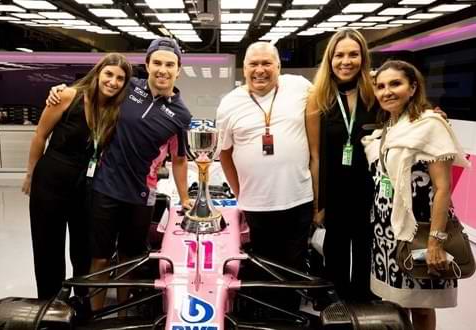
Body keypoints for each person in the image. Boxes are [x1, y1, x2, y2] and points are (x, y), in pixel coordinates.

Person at [47, 37, 192, 311]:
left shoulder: (181, 115)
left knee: (129, 259)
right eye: (157, 63)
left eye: (169, 64)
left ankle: (122, 315)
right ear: (147, 65)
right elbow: (91, 90)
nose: (163, 69)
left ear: (178, 70)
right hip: (104, 188)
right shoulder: (127, 88)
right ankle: (97, 315)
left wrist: (184, 198)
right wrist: (61, 90)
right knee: (99, 258)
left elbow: (180, 160)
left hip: (141, 196)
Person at [362, 60, 469, 330]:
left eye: (395, 84)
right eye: (381, 86)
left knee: (422, 306)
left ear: (413, 87)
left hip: (420, 229)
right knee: (398, 303)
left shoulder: (429, 125)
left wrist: (435, 241)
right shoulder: (388, 126)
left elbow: (443, 187)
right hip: (387, 231)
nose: (386, 91)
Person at [23, 53, 133, 300]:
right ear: (98, 73)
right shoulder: (66, 96)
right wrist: (31, 174)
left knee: (83, 249)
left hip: (86, 185)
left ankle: (81, 304)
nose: (113, 82)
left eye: (120, 79)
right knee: (47, 247)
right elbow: (40, 136)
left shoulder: (115, 110)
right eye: (109, 74)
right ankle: (50, 304)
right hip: (51, 180)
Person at [216, 41, 314, 310]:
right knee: (261, 267)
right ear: (243, 69)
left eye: (267, 63)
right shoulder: (229, 104)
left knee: (292, 269)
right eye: (253, 64)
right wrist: (240, 191)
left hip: (298, 198)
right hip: (256, 204)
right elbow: (224, 153)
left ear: (279, 67)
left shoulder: (300, 87)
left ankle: (289, 318)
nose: (260, 70)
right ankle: (263, 319)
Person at [306, 29, 376, 302]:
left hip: (368, 191)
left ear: (363, 58)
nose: (346, 61)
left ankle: (363, 306)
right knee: (333, 256)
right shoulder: (318, 97)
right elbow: (315, 155)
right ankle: (337, 312)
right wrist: (317, 204)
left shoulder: (374, 94)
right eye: (339, 55)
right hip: (333, 192)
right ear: (330, 59)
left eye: (353, 54)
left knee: (366, 254)